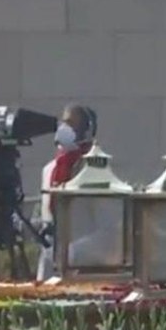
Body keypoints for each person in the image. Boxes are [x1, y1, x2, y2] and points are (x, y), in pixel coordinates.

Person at [36, 104, 98, 281]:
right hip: (50, 258)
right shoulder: (50, 170)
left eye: (71, 123)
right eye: (64, 122)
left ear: (87, 131)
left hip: (83, 264)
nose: (64, 128)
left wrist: (73, 251)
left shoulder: (93, 170)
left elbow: (107, 230)